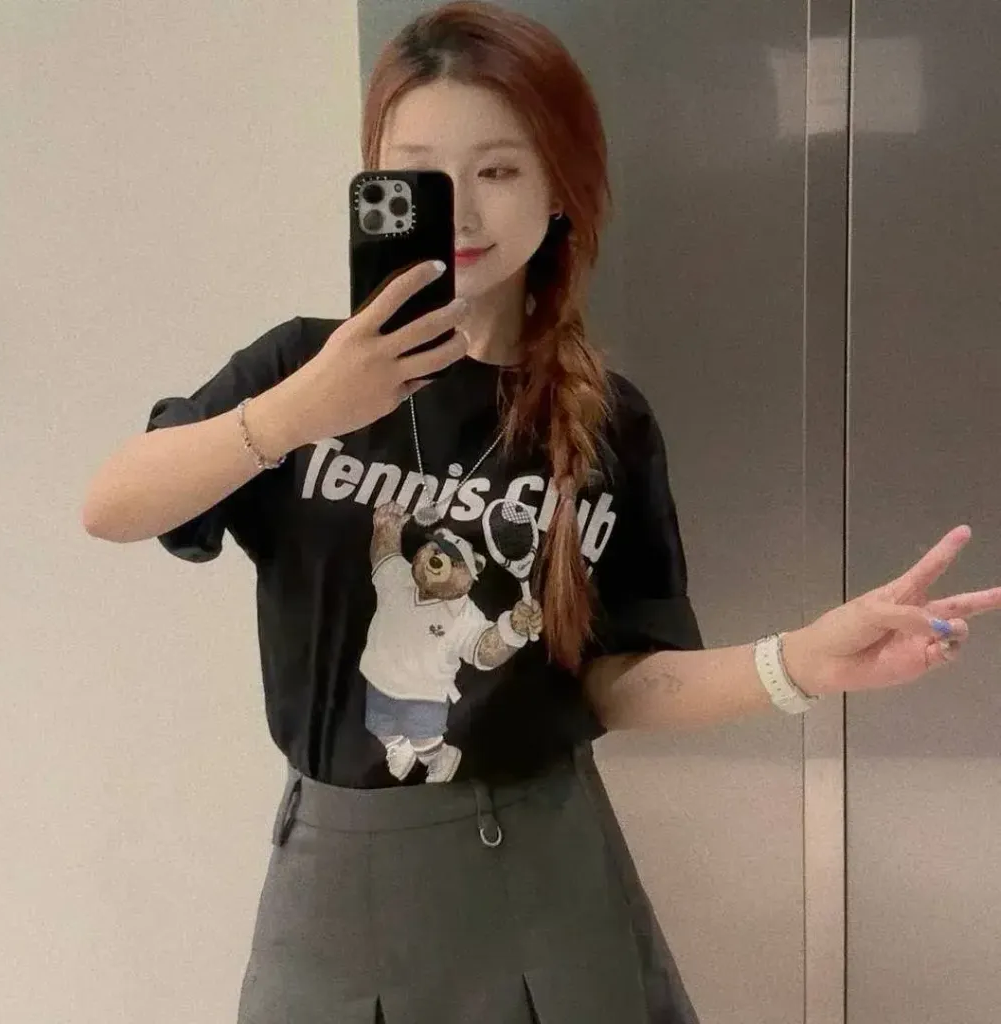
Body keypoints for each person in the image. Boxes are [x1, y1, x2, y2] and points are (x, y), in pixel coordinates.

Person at [81, 3, 1000, 1021]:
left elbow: (615, 680)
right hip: (342, 882)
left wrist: (802, 662)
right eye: (423, 172)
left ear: (558, 188)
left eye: (498, 170)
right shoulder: (300, 366)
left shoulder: (607, 419)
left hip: (551, 877)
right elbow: (113, 505)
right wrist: (303, 410)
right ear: (377, 181)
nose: (463, 212)